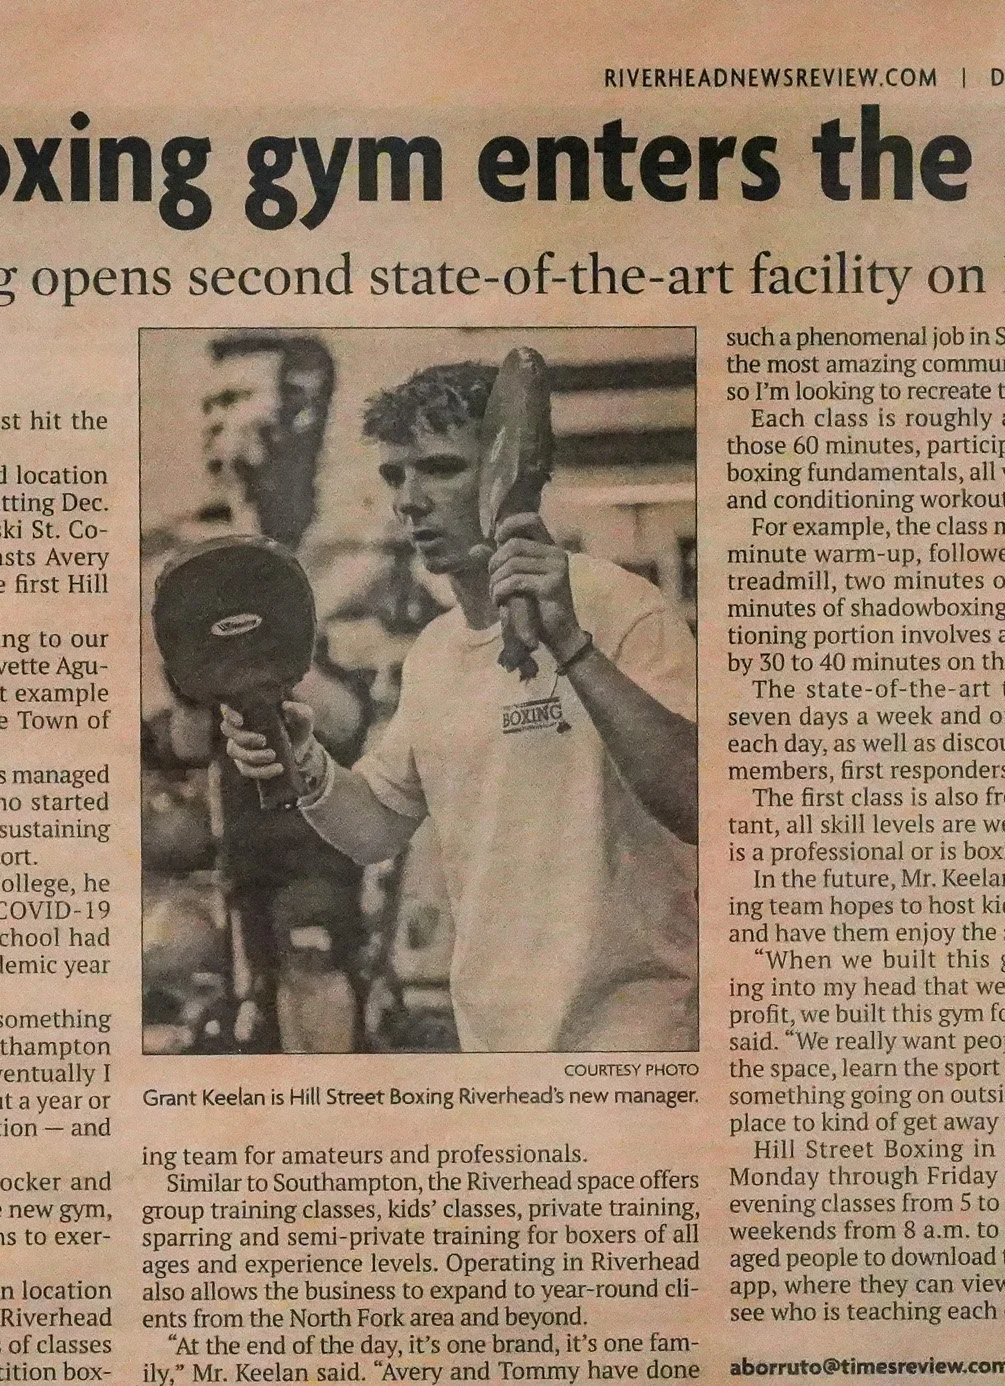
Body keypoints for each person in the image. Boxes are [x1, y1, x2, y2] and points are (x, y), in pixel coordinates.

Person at [222, 361, 698, 1052]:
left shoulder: (623, 607)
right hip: (493, 1042)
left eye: (441, 468)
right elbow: (377, 827)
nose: (409, 501)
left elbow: (699, 800)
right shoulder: (437, 652)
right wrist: (304, 760)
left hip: (631, 1040)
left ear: (508, 475)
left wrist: (571, 646)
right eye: (395, 475)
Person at [142, 332, 371, 1053]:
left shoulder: (367, 550)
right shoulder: (176, 556)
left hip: (345, 841)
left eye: (236, 399)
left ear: (302, 408)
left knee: (314, 963)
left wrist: (250, 650)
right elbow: (178, 738)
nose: (215, 422)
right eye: (209, 403)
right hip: (228, 850)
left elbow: (356, 719)